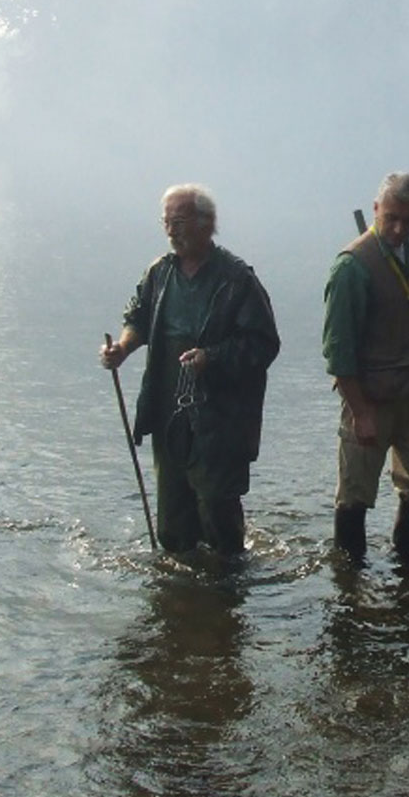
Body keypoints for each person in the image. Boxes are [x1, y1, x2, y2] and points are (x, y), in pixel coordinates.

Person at [100, 183, 280, 556]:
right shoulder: (160, 273)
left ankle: (227, 587)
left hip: (220, 414)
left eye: (178, 222)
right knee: (173, 516)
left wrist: (211, 357)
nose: (170, 231)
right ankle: (180, 594)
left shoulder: (237, 279)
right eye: (166, 223)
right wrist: (122, 348)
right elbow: (138, 316)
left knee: (216, 505)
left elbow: (263, 344)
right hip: (168, 408)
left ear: (207, 223)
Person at [322, 171, 409, 569]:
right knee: (355, 493)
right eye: (391, 217)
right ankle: (349, 572)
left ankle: (408, 561)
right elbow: (337, 352)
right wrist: (360, 412)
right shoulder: (350, 268)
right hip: (370, 397)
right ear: (376, 208)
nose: (398, 228)